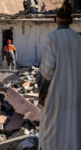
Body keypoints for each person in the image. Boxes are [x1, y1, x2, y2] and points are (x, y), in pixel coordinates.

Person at [38, 4, 81, 150]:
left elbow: (47, 70)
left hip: (56, 93)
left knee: (53, 128)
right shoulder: (78, 38)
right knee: (73, 126)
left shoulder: (53, 37)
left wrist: (41, 92)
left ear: (56, 20)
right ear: (71, 20)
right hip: (76, 92)